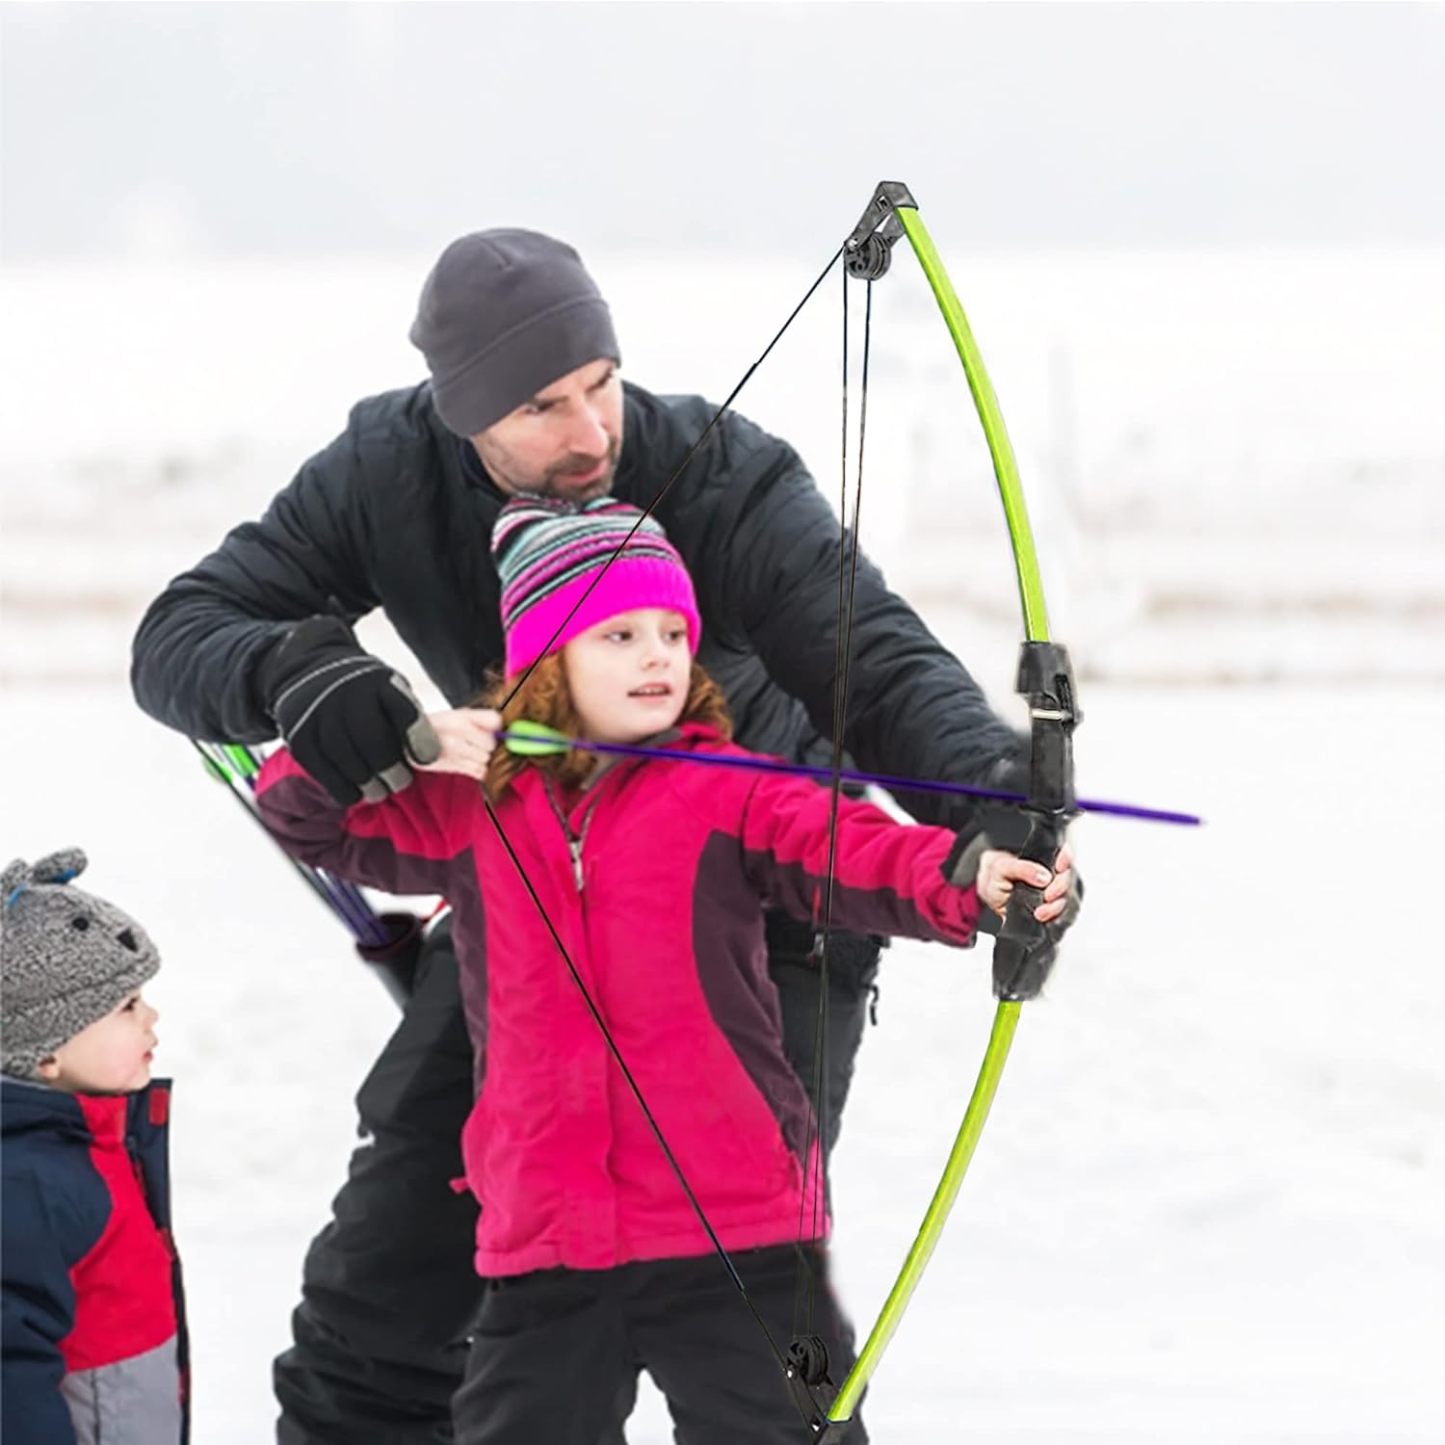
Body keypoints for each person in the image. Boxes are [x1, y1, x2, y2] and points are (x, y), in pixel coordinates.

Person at [131, 227, 1051, 1443]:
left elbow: (869, 658)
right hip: (526, 915)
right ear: (459, 414)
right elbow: (182, 633)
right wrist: (297, 673)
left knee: (745, 1326)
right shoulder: (386, 470)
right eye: (540, 405)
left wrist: (991, 798)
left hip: (748, 929)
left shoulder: (719, 472)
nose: (588, 431)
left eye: (599, 384)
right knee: (382, 1309)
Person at [252, 497, 1077, 1445]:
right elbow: (307, 819)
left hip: (740, 1237)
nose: (657, 654)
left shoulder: (731, 790)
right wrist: (398, 742)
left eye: (672, 630)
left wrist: (970, 878)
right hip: (544, 1239)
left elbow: (857, 852)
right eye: (619, 632)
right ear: (544, 661)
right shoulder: (473, 809)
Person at [1, 849, 186, 1445]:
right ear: (46, 1052)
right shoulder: (28, 1182)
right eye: (126, 1006)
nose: (151, 1017)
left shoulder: (98, 1141)